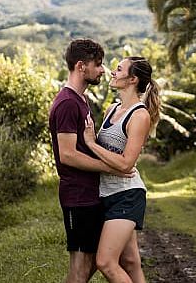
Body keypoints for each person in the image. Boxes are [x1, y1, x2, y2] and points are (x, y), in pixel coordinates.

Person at [49, 39, 135, 283]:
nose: (102, 70)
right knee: (81, 264)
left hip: (91, 193)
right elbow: (67, 155)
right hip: (78, 195)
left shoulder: (81, 100)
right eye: (98, 65)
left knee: (97, 260)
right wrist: (111, 167)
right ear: (80, 66)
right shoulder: (67, 103)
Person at [83, 56, 160, 283]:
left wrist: (91, 144)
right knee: (131, 263)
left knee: (105, 262)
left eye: (118, 70)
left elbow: (126, 163)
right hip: (105, 194)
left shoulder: (140, 115)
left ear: (132, 79)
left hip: (126, 196)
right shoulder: (111, 109)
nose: (112, 73)